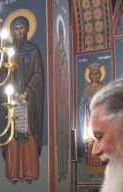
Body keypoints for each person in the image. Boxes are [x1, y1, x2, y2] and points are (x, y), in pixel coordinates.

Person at [0, 15, 44, 183]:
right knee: (12, 136)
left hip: (26, 102)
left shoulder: (33, 51)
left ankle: (29, 172)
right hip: (11, 101)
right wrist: (7, 75)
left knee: (27, 135)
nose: (19, 32)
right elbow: (0, 76)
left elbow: (38, 74)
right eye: (16, 29)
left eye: (21, 28)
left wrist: (27, 92)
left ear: (26, 30)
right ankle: (14, 173)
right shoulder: (7, 53)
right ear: (12, 32)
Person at [54, 19, 70, 182]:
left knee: (64, 134)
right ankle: (60, 171)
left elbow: (65, 73)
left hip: (63, 97)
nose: (60, 35)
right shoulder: (57, 52)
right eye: (58, 32)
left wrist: (64, 74)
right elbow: (56, 70)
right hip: (58, 96)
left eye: (61, 32)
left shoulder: (64, 51)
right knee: (59, 134)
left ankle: (63, 171)